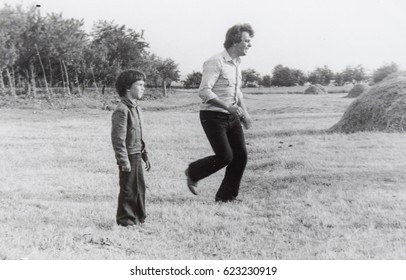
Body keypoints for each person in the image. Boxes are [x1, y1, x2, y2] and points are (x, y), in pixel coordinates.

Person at [185, 23, 254, 202]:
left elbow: (237, 93)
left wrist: (244, 113)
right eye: (247, 41)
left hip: (231, 115)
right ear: (234, 41)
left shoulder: (238, 64)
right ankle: (193, 172)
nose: (250, 44)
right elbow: (204, 91)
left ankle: (226, 197)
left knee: (240, 157)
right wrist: (227, 107)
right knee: (225, 156)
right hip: (212, 115)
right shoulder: (215, 62)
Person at [111, 69, 151, 227]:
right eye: (139, 85)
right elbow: (118, 139)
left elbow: (139, 135)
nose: (143, 88)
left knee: (139, 189)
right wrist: (123, 161)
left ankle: (139, 218)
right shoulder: (122, 110)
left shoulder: (136, 108)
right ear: (128, 87)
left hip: (136, 154)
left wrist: (145, 154)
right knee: (128, 190)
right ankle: (125, 221)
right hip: (128, 156)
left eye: (143, 85)